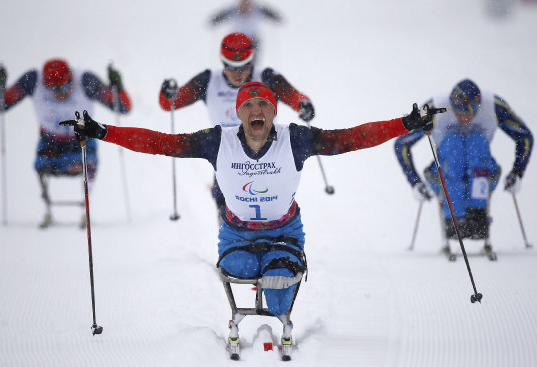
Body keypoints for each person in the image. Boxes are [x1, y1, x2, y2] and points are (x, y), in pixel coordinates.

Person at [61, 81, 432, 359]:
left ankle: (277, 297)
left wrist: (404, 124)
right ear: (238, 113)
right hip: (235, 232)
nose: (257, 111)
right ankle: (258, 282)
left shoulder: (296, 139)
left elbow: (350, 139)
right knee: (237, 269)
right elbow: (161, 142)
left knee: (277, 296)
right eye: (249, 105)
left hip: (285, 232)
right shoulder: (215, 141)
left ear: (273, 112)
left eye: (264, 105)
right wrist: (103, 132)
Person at [159, 32, 315, 215]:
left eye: (244, 66)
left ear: (252, 60)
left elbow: (295, 96)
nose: (237, 73)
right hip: (227, 154)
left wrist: (303, 105)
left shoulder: (266, 77)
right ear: (222, 61)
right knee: (229, 215)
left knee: (271, 210)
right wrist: (167, 94)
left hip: (267, 154)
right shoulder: (208, 80)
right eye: (231, 66)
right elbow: (169, 103)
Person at [394, 79, 533, 255]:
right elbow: (402, 144)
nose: (463, 119)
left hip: (481, 170)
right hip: (446, 172)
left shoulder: (495, 106)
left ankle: (477, 217)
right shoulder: (434, 108)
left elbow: (525, 137)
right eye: (457, 112)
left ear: (479, 105)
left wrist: (518, 172)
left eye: (468, 113)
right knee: (453, 144)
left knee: (477, 142)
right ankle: (454, 220)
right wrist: (415, 183)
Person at [0, 59, 132, 228]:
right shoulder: (33, 80)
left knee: (89, 165)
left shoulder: (86, 81)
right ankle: (48, 210)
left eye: (64, 87)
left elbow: (123, 107)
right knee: (40, 167)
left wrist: (118, 87)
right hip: (50, 142)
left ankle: (85, 209)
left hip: (82, 140)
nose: (60, 94)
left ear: (71, 78)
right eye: (53, 90)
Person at [208, 0, 282, 54]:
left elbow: (275, 16)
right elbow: (217, 18)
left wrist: (275, 17)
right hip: (236, 42)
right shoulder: (232, 11)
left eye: (247, 2)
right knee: (235, 62)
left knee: (251, 65)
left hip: (252, 42)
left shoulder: (258, 10)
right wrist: (215, 20)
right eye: (243, 2)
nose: (245, 5)